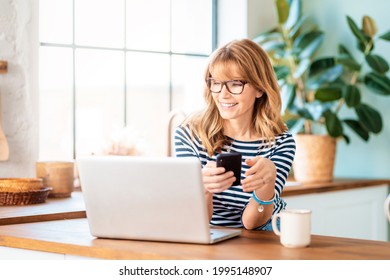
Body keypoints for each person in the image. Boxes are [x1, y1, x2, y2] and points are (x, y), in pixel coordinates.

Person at [174, 38, 296, 230]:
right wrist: (203, 189)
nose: (223, 94)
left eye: (235, 84)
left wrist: (267, 183)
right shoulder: (189, 134)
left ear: (259, 88)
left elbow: (252, 224)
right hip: (208, 229)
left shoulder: (281, 142)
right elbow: (196, 221)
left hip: (264, 229)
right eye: (216, 82)